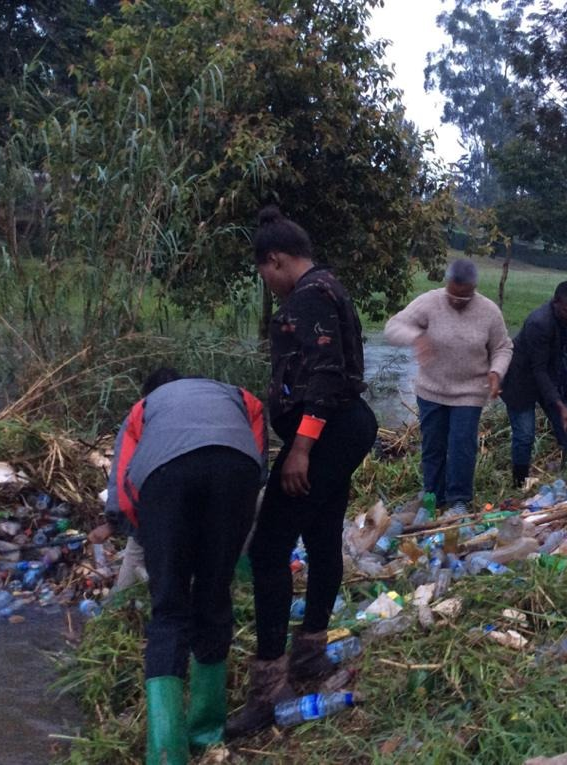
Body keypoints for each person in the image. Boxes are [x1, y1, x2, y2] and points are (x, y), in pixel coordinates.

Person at [226, 205, 378, 737]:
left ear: (275, 261)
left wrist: (300, 450)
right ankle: (311, 652)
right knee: (319, 536)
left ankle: (269, 689)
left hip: (328, 430)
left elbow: (326, 374)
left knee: (267, 550)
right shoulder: (330, 286)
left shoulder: (308, 296)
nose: (266, 283)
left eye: (264, 273)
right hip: (344, 427)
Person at [97, 368, 267, 765]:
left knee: (170, 609)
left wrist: (156, 540)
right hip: (235, 472)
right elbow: (258, 465)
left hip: (167, 478)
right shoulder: (241, 397)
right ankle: (207, 734)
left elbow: (122, 491)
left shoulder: (144, 408)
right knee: (213, 597)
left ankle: (167, 751)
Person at [383, 258, 513, 514]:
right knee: (433, 445)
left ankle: (458, 500)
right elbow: (392, 327)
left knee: (462, 445)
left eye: (464, 298)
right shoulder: (430, 302)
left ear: (473, 289)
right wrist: (416, 337)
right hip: (431, 389)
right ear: (447, 284)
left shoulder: (488, 311)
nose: (456, 302)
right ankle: (433, 496)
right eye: (453, 295)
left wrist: (497, 372)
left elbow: (502, 347)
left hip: (470, 392)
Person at [502, 281, 567, 486]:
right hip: (521, 378)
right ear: (555, 303)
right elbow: (538, 371)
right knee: (525, 434)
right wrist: (559, 406)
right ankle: (519, 483)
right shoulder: (538, 323)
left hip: (554, 371)